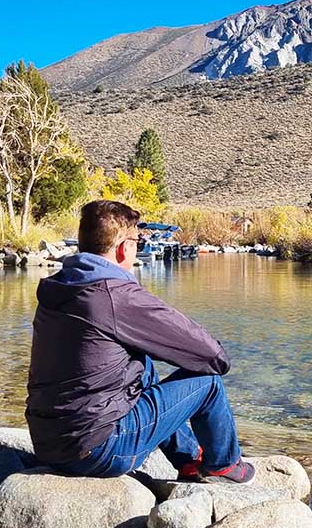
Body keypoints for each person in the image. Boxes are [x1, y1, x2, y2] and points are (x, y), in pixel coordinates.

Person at [25, 199, 255, 483]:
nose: (138, 249)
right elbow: (213, 357)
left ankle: (187, 460)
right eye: (138, 242)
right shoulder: (116, 295)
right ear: (124, 247)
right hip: (98, 450)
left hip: (48, 442)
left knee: (141, 367)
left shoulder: (61, 286)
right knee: (208, 383)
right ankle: (224, 465)